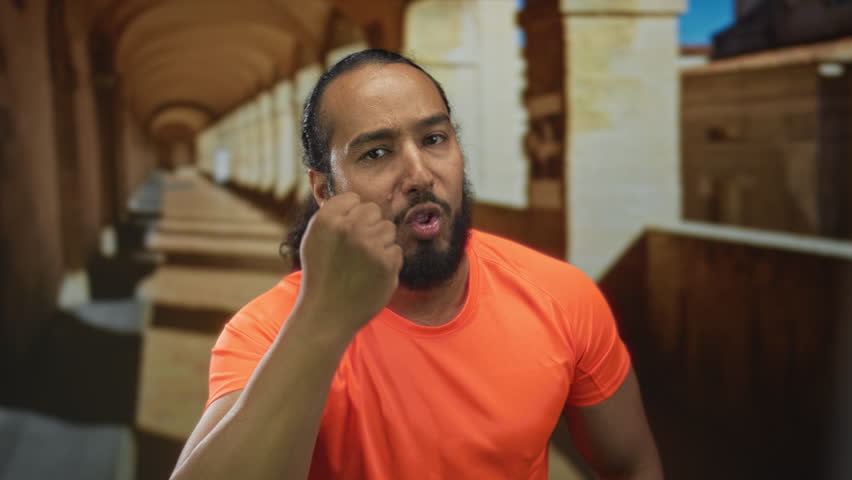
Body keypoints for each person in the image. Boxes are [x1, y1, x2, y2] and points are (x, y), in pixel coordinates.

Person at [170, 49, 662, 480]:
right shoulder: (268, 331)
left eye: (433, 139)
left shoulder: (561, 297)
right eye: (376, 153)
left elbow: (631, 465)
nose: (420, 174)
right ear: (325, 190)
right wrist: (321, 321)